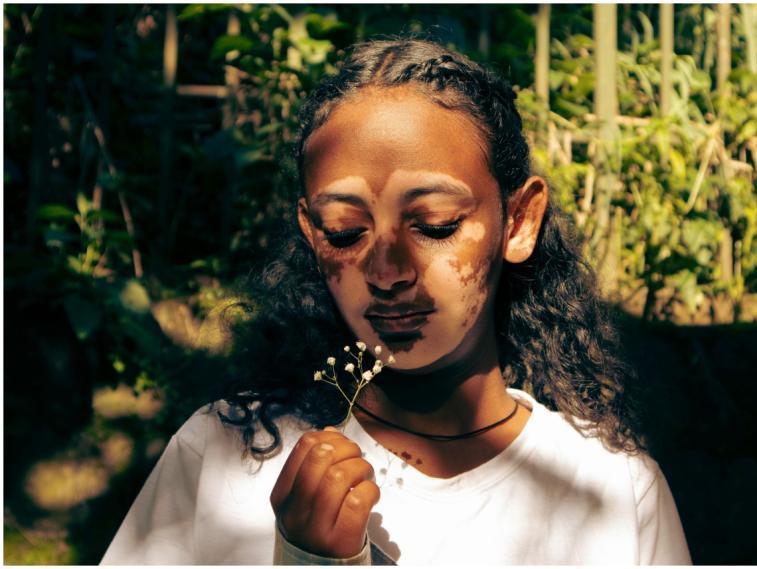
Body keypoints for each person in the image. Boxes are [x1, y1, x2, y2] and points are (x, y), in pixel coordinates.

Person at [101, 38, 691, 565]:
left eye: (434, 225)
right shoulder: (226, 457)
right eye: (344, 232)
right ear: (311, 234)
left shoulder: (612, 496)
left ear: (518, 221)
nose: (386, 272)